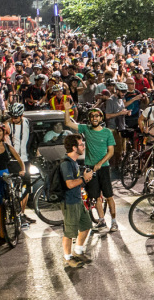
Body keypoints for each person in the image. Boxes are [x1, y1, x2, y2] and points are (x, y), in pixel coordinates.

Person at [62, 98, 118, 232]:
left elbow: (111, 152)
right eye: (92, 116)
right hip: (90, 168)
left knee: (109, 196)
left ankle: (114, 222)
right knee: (95, 195)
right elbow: (68, 122)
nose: (94, 118)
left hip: (103, 168)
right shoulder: (86, 129)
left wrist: (99, 163)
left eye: (97, 116)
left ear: (101, 118)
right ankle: (102, 220)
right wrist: (66, 109)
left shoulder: (107, 132)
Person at [59, 134, 95, 268]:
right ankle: (67, 257)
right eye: (81, 144)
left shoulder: (74, 162)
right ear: (74, 147)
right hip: (69, 202)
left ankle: (78, 251)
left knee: (86, 225)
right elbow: (69, 184)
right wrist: (84, 179)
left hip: (77, 199)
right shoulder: (66, 163)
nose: (83, 147)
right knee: (69, 232)